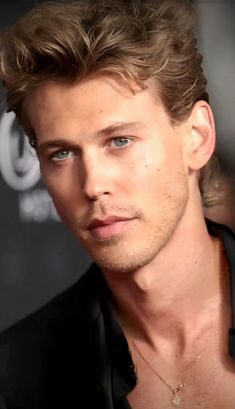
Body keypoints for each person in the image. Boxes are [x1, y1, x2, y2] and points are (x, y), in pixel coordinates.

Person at [0, 0, 234, 408]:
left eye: (119, 141)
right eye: (62, 154)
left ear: (196, 137)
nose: (93, 185)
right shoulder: (15, 373)